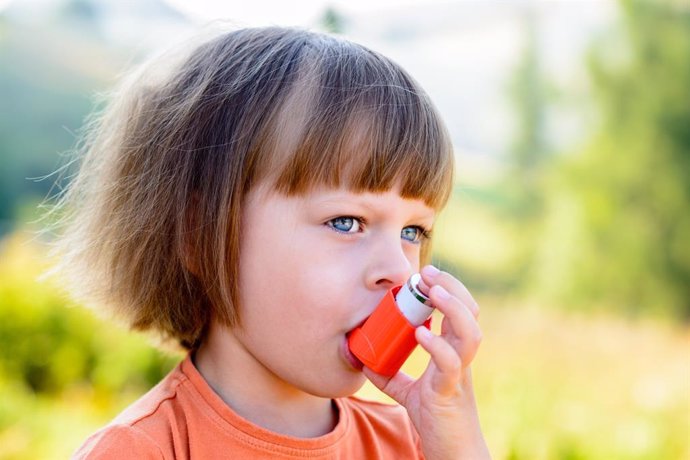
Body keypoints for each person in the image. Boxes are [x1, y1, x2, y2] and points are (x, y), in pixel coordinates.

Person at [54, 26, 490, 459]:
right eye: (346, 221)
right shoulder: (140, 451)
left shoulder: (415, 444)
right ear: (199, 234)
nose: (399, 270)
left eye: (412, 232)